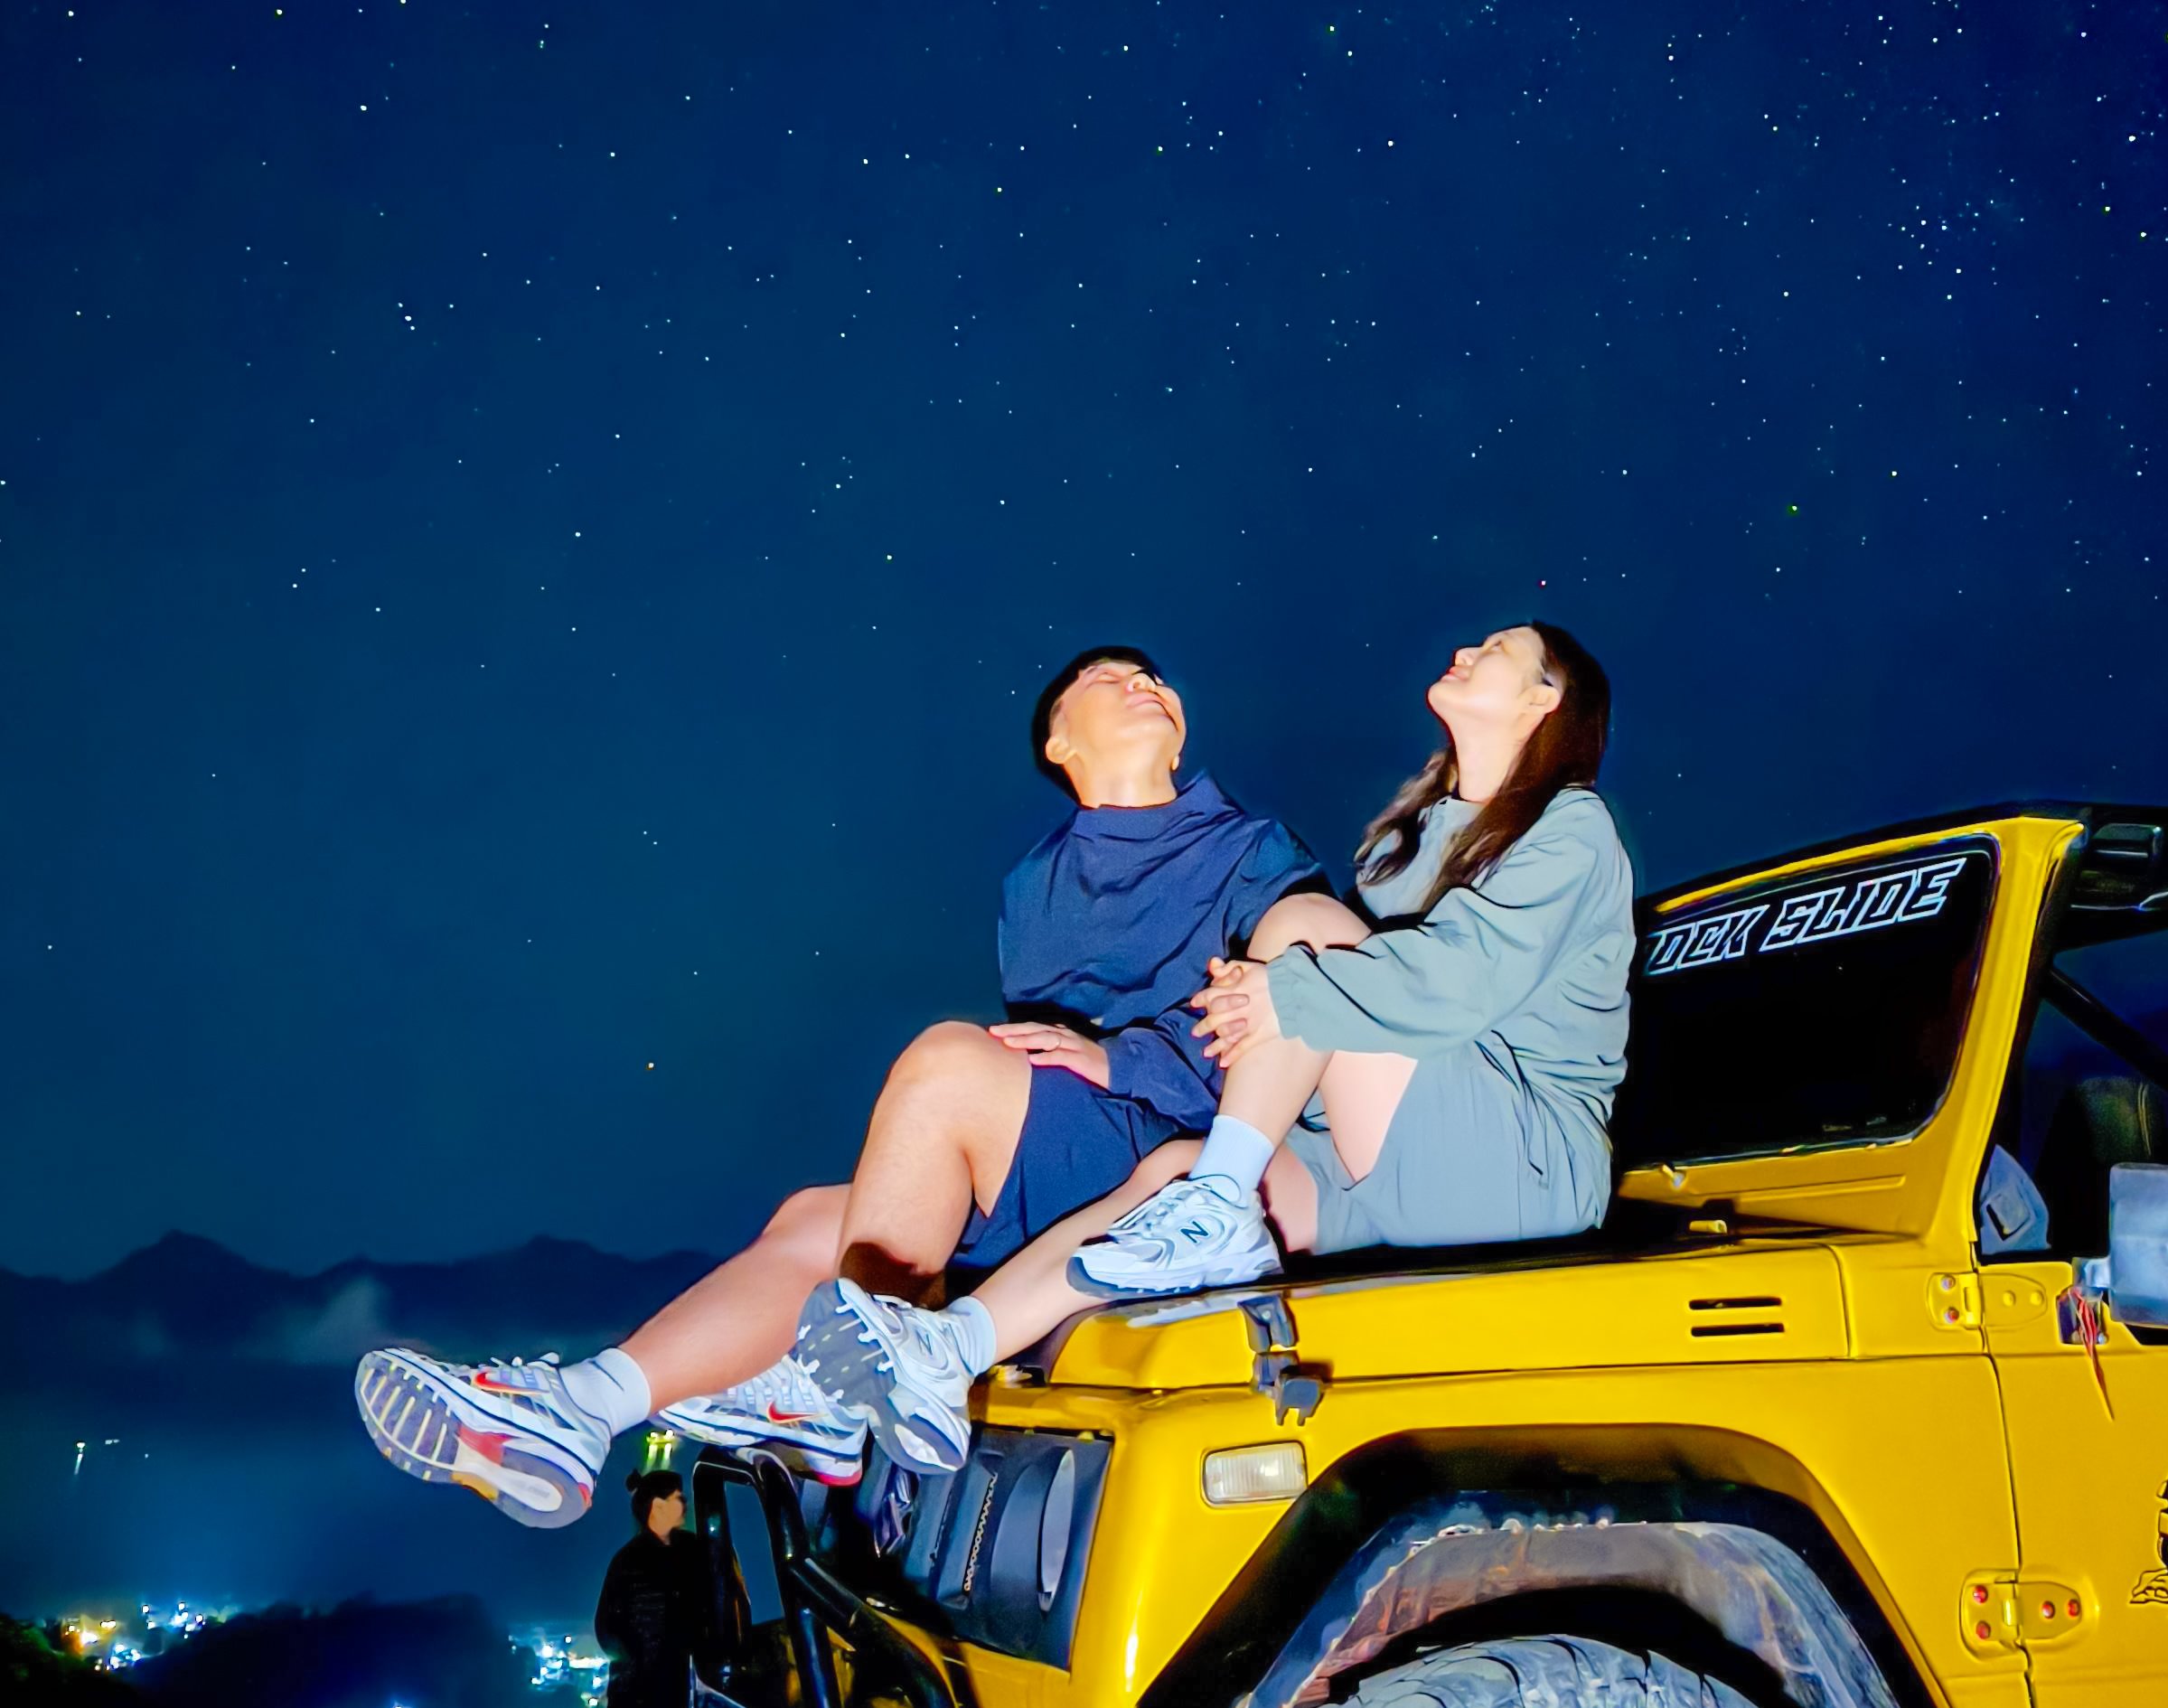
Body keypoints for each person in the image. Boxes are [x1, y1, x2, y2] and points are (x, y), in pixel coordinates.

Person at [352, 647, 1366, 1523]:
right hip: (1089, 1146)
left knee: (943, 1064)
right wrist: (1073, 1066)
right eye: (1108, 680)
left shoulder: (1248, 846)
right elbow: (1048, 1046)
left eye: (1152, 680)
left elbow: (1301, 1005)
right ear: (1059, 743)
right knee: (811, 1217)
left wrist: (1122, 1060)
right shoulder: (1033, 890)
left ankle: (833, 1397)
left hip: (1193, 1129)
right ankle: (581, 1408)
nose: (1143, 683)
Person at [792, 624, 1631, 1469]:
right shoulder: (1396, 848)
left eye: (1496, 650)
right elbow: (1338, 1038)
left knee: (1300, 930)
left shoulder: (1573, 828)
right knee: (1174, 1173)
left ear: (1543, 699)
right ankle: (951, 1351)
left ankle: (1224, 1200)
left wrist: (1279, 989)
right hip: (1374, 1172)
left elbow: (1462, 982)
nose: (1464, 651)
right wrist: (1257, 1011)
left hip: (1518, 1164)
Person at [593, 1469, 722, 1708]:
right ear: (658, 1505)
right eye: (677, 1498)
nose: (685, 1504)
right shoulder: (628, 1562)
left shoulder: (693, 1549)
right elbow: (607, 1627)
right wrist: (637, 1663)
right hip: (641, 1691)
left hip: (686, 1683)